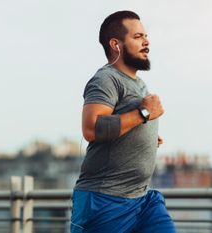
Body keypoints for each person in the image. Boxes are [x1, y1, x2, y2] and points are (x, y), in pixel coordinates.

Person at [70, 10, 176, 233]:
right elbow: (91, 128)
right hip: (104, 200)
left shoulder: (139, 84)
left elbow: (124, 122)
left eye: (145, 36)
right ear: (116, 44)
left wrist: (144, 135)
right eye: (137, 37)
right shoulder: (106, 79)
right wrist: (143, 115)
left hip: (143, 199)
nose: (146, 41)